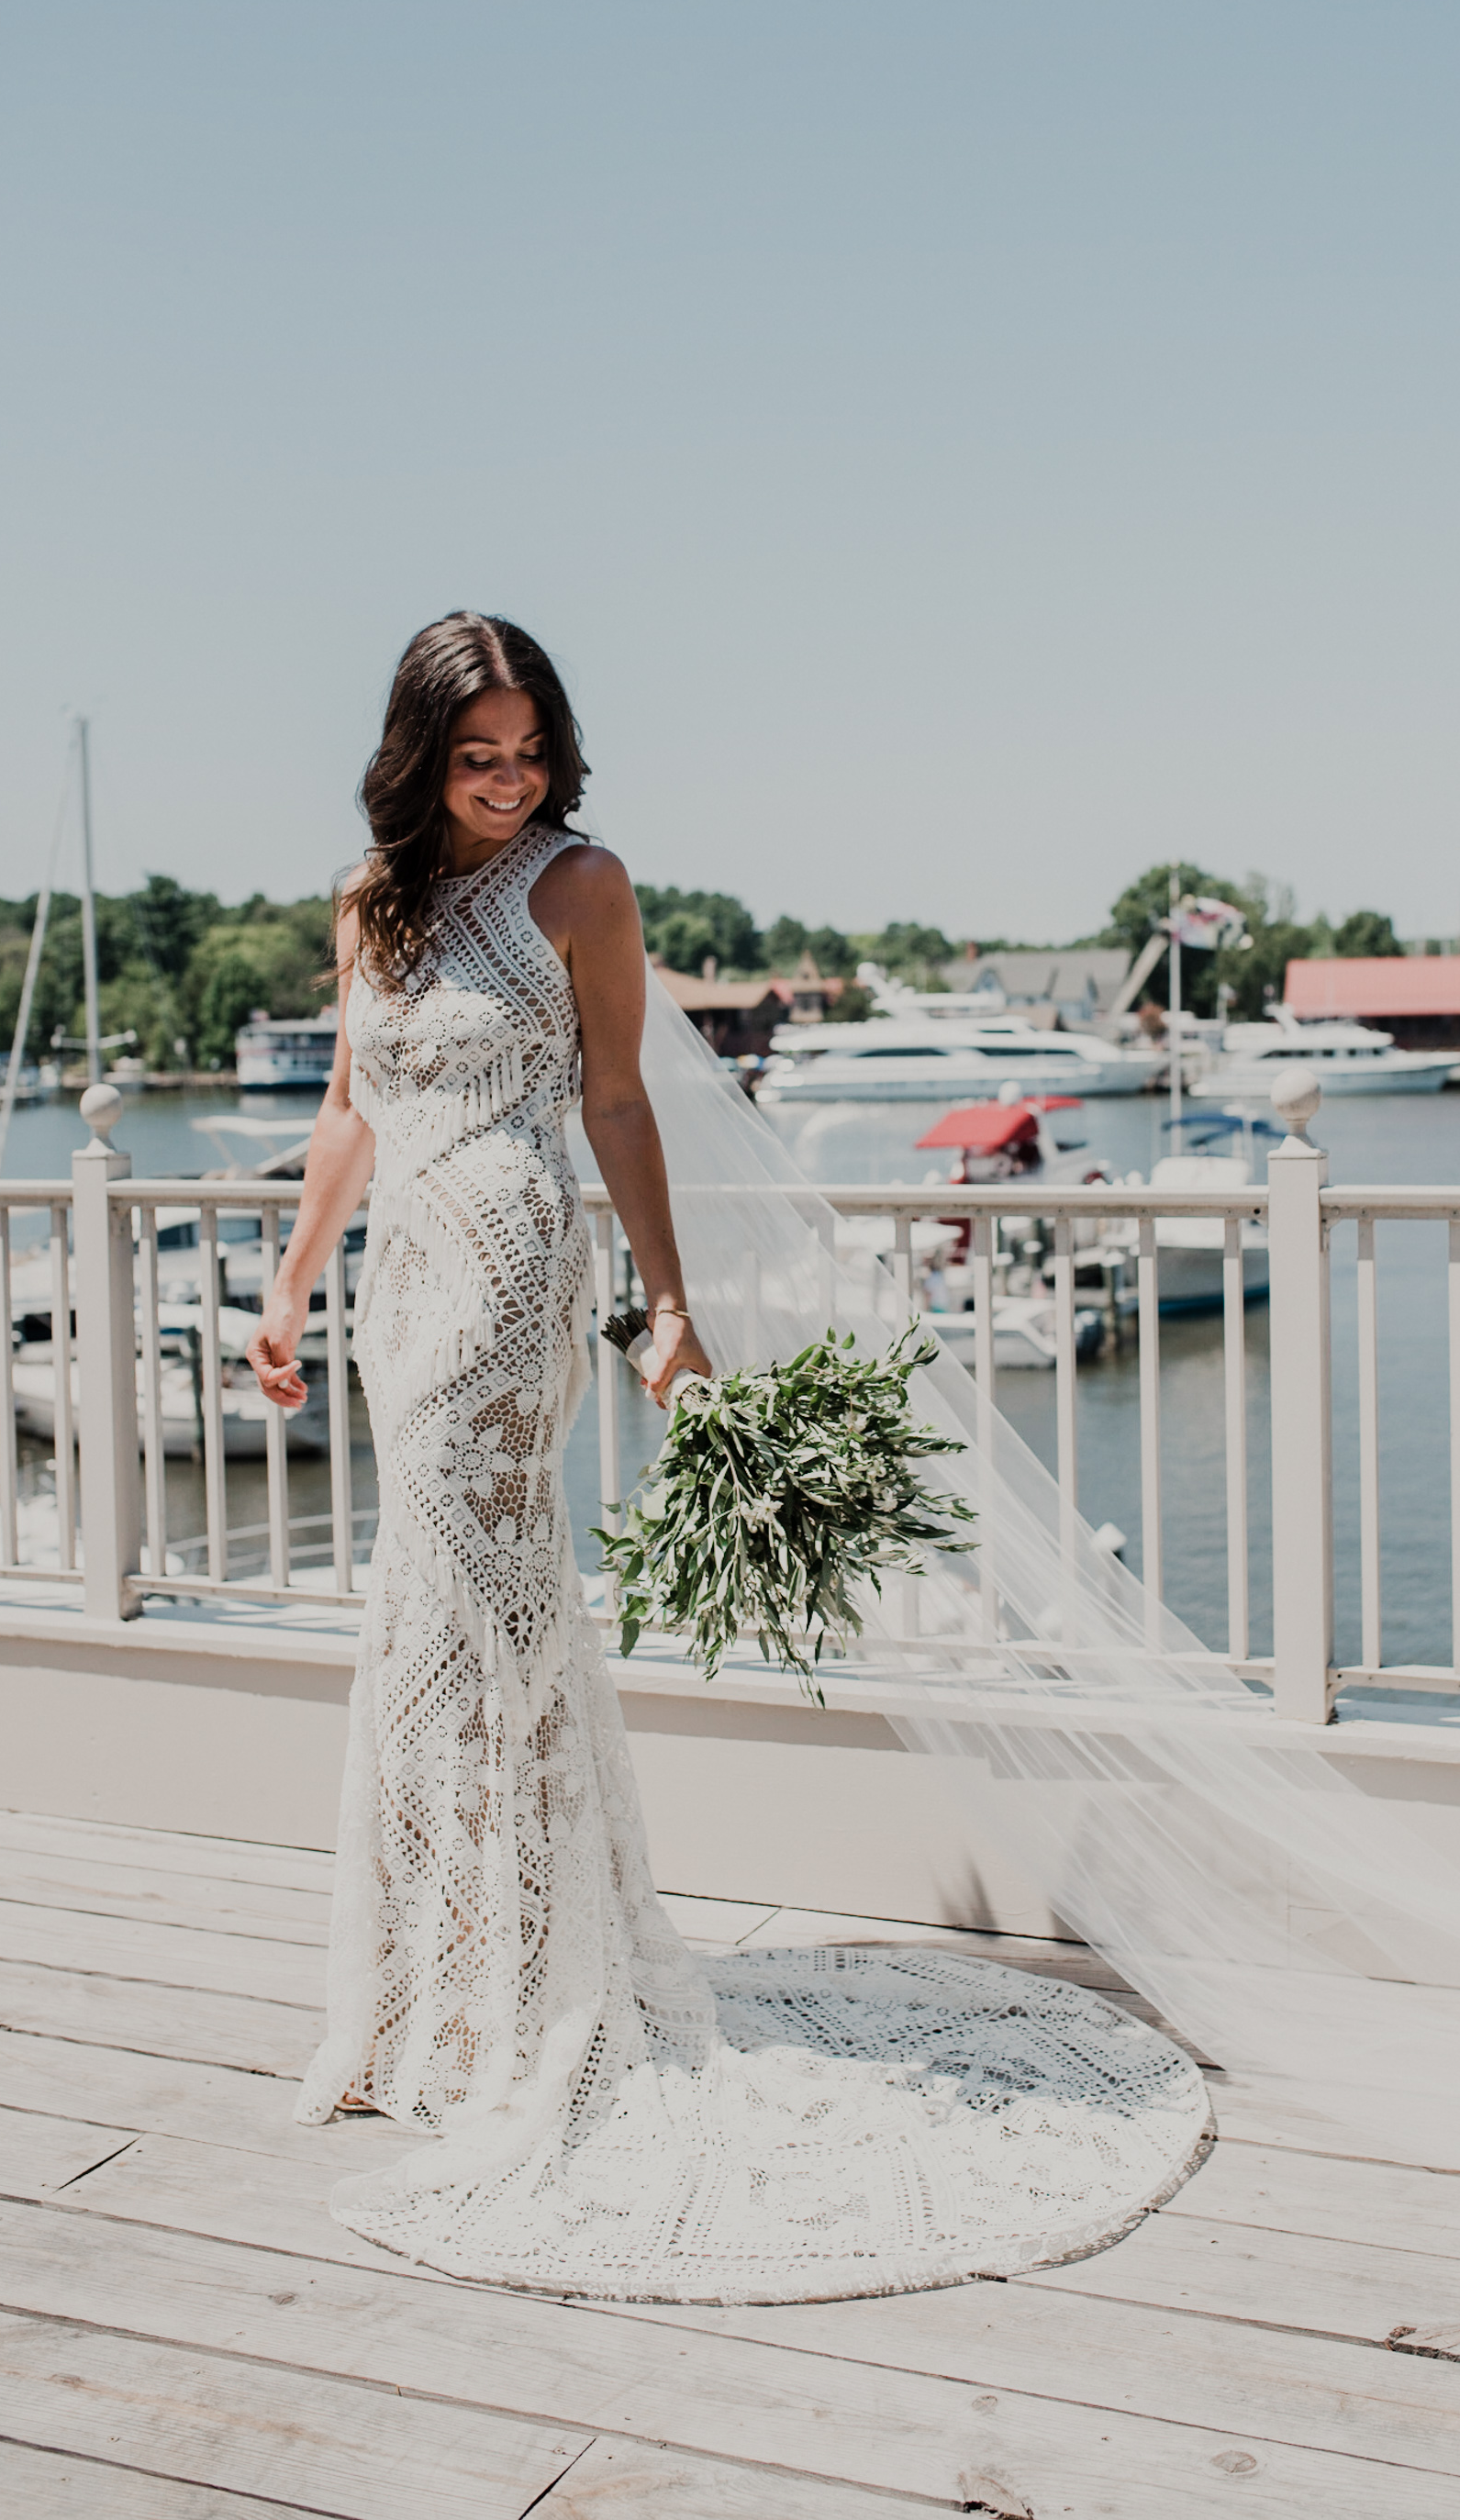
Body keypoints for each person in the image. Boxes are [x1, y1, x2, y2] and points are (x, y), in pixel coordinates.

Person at [247, 611, 1206, 2303]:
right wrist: (290, 1282)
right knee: (426, 1625)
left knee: (487, 1620)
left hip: (514, 1268)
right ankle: (451, 1987)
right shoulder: (366, 899)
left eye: (532, 751)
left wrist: (672, 1304)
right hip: (401, 1285)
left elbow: (616, 1099)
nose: (510, 781)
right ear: (415, 756)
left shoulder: (579, 887)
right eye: (478, 757)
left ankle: (528, 1997)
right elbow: (347, 1101)